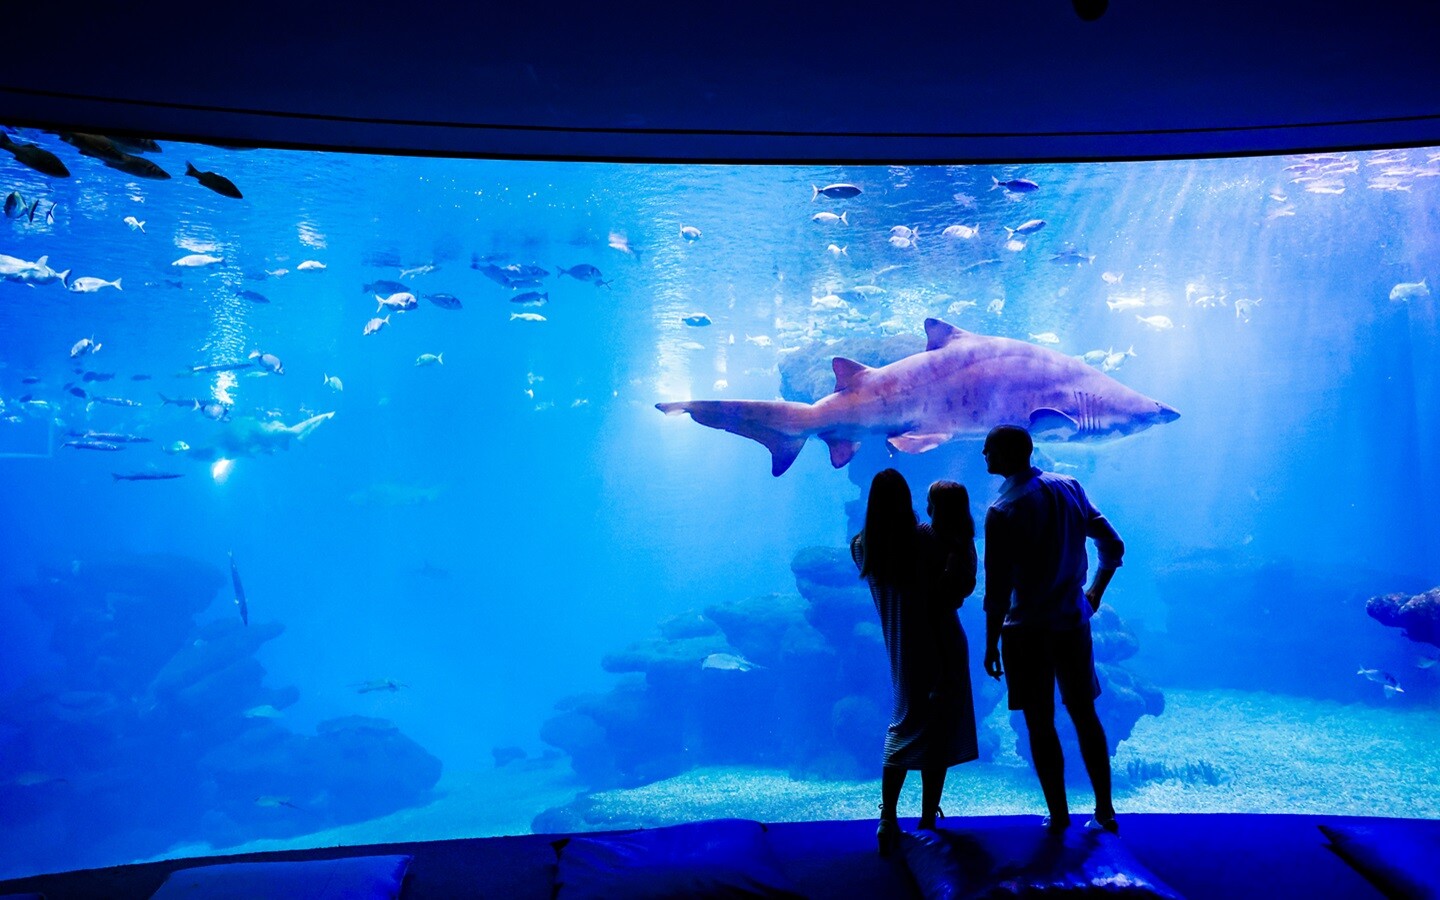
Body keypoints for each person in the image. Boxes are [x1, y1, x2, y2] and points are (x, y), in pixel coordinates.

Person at [980, 425, 1124, 834]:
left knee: (1039, 723)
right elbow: (1113, 545)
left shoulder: (1002, 511)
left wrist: (991, 643)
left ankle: (1060, 816)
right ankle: (1105, 810)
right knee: (1085, 713)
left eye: (988, 449)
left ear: (1006, 455)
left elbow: (997, 590)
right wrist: (1094, 592)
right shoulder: (1070, 486)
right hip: (1072, 623)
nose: (983, 455)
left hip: (1026, 630)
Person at [852, 469, 979, 856]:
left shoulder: (861, 546)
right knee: (937, 730)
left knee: (904, 723)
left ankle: (887, 816)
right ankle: (926, 818)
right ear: (908, 501)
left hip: (902, 645)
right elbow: (961, 584)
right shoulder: (925, 538)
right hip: (942, 642)